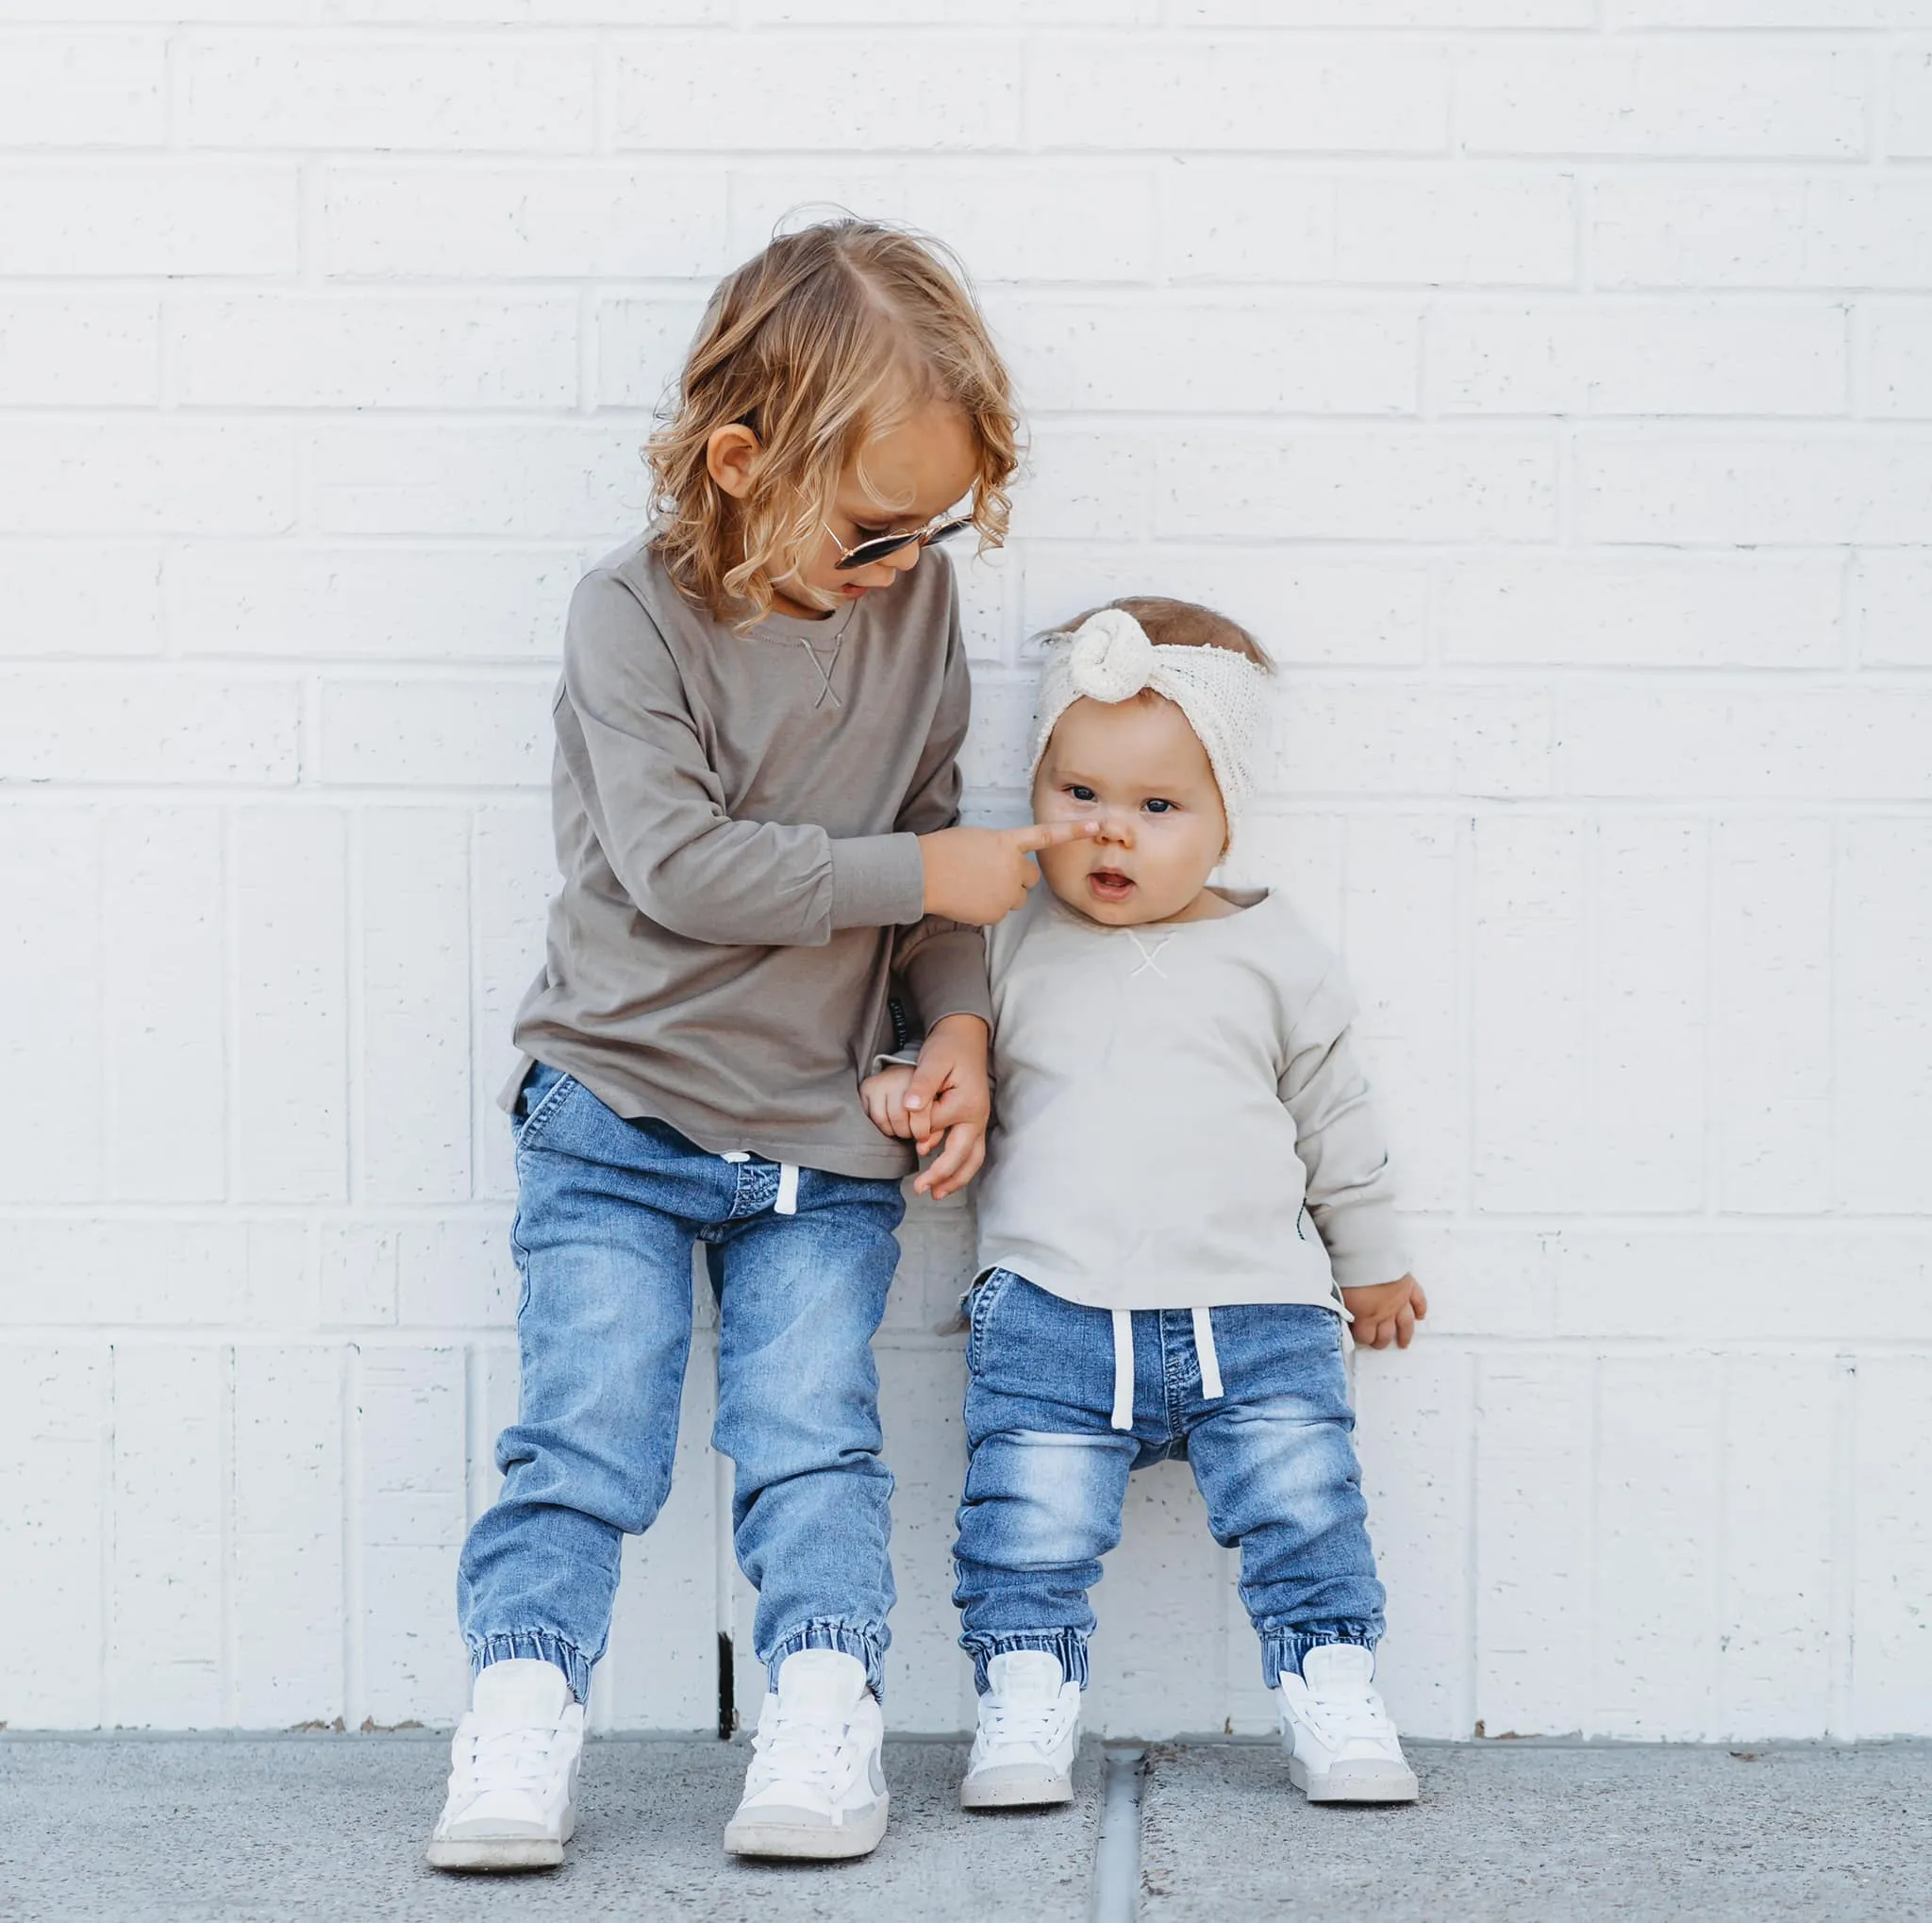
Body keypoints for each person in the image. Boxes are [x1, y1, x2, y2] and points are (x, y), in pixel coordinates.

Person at [427, 218, 1093, 1873]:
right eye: (872, 529)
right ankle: (519, 1718)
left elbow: (926, 842)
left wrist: (956, 1020)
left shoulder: (915, 602)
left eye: (929, 529)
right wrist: (924, 875)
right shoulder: (628, 620)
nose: (900, 563)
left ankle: (819, 1710)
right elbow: (683, 867)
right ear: (739, 463)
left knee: (814, 1440)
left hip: (816, 1135)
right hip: (619, 1114)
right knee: (582, 1435)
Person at [861, 597, 1431, 1812]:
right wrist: (902, 1085)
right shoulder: (1003, 939)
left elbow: (1336, 1120)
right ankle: (1023, 1702)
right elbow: (926, 1038)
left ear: (1225, 818)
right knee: (1024, 1522)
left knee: (1305, 1507)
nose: (1109, 831)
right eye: (1077, 795)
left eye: (1158, 807)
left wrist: (1369, 1260)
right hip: (1050, 1308)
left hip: (1257, 1309)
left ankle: (1331, 1687)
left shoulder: (1277, 955)